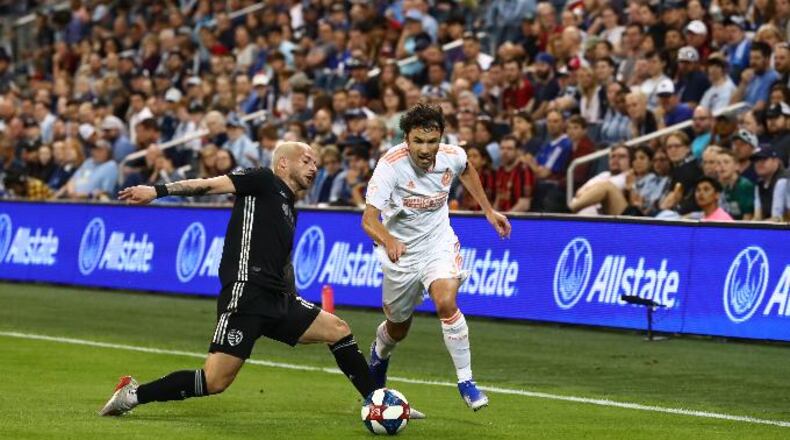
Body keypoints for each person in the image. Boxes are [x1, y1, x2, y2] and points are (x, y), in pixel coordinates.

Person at [101, 142, 407, 418]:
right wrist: (158, 191)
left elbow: (282, 261)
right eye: (306, 160)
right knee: (214, 381)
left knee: (338, 329)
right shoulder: (262, 179)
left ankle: (379, 403)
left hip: (278, 299)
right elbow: (209, 185)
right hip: (247, 293)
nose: (314, 167)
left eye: (315, 163)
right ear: (283, 164)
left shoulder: (289, 207)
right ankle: (133, 394)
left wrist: (292, 297)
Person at [362, 104, 510, 411]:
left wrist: (488, 210)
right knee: (397, 329)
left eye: (432, 141)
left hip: (437, 244)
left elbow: (467, 168)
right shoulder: (390, 165)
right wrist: (388, 239)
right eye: (418, 141)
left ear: (441, 137)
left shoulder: (452, 155)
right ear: (407, 139)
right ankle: (379, 356)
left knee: (446, 301)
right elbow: (368, 220)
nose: (426, 149)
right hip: (399, 254)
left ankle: (466, 381)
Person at [494, 135, 533, 212]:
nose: (504, 152)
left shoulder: (524, 170)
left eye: (509, 149)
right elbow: (498, 198)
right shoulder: (500, 170)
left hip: (518, 219)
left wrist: (505, 219)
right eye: (502, 148)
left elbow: (525, 204)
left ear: (518, 151)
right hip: (502, 218)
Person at [751, 146, 790, 221]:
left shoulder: (784, 180)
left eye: (763, 159)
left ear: (776, 161)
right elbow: (757, 217)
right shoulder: (759, 184)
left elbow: (777, 218)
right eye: (756, 161)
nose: (759, 163)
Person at [716, 149, 755, 220]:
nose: (722, 166)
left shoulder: (744, 186)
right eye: (718, 163)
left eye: (726, 162)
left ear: (737, 166)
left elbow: (748, 216)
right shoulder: (724, 187)